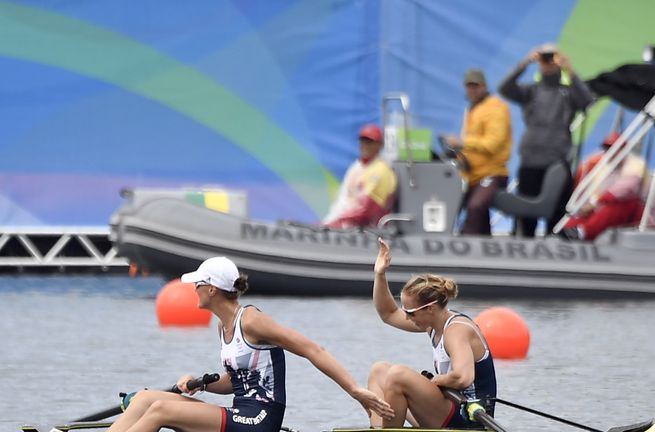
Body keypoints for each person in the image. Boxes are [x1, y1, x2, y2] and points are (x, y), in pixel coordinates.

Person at [108, 256, 394, 432]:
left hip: (260, 419)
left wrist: (355, 390)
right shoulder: (222, 325)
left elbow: (312, 349)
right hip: (239, 411)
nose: (192, 288)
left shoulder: (252, 321)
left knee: (161, 409)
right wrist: (200, 384)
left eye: (197, 283)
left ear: (211, 289)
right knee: (146, 398)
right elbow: (236, 382)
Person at [367, 238, 497, 429]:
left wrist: (433, 382)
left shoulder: (456, 330)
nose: (408, 317)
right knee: (379, 371)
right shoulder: (432, 324)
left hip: (468, 420)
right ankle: (378, 428)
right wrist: (380, 274)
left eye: (411, 313)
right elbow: (388, 314)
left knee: (398, 375)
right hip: (447, 409)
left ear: (431, 308)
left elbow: (463, 377)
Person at [498, 43, 594, 237]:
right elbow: (504, 88)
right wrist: (524, 63)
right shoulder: (531, 91)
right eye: (545, 57)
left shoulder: (567, 92)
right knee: (526, 215)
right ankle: (523, 256)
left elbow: (587, 100)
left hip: (557, 163)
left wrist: (569, 70)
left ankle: (556, 258)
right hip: (531, 161)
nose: (549, 61)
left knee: (557, 217)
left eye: (552, 57)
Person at [440, 68, 512, 235]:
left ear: (485, 86)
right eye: (469, 86)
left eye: (476, 86)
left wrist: (462, 143)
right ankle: (484, 249)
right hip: (472, 174)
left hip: (492, 173)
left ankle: (467, 248)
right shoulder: (474, 109)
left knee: (476, 206)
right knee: (461, 207)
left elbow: (493, 143)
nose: (472, 90)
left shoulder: (495, 108)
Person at [562, 132, 655, 241]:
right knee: (585, 212)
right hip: (611, 213)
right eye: (607, 148)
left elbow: (625, 190)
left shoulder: (636, 165)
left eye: (613, 148)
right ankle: (564, 231)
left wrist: (595, 202)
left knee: (621, 203)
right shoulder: (604, 168)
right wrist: (587, 206)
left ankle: (584, 232)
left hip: (642, 217)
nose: (610, 152)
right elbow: (593, 196)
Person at [323, 124, 397, 229]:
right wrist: (329, 221)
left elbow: (365, 212)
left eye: (370, 142)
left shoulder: (381, 171)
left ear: (380, 145)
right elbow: (343, 200)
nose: (365, 145)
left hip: (364, 233)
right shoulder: (357, 166)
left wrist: (335, 223)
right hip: (341, 226)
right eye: (363, 141)